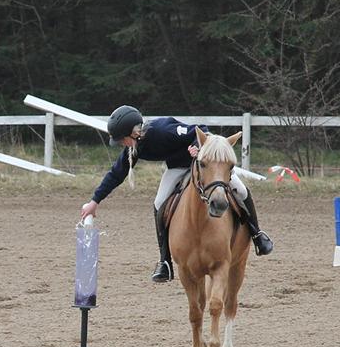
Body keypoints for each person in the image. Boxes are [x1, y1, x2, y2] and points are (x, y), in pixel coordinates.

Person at [79, 105, 273, 283]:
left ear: (134, 132)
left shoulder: (161, 131)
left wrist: (198, 147)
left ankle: (257, 234)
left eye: (122, 139)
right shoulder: (136, 147)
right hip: (178, 168)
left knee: (241, 190)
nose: (121, 143)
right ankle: (165, 262)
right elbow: (116, 174)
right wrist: (94, 202)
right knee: (159, 203)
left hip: (205, 163)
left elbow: (200, 129)